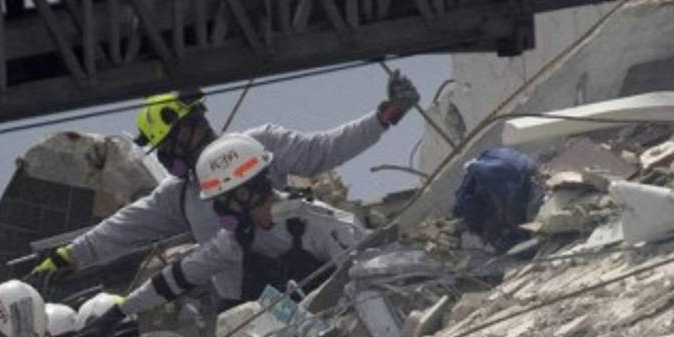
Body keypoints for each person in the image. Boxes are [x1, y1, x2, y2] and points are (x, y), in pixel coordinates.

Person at [31, 72, 418, 286]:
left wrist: (384, 117)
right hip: (252, 302)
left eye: (167, 146)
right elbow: (123, 228)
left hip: (313, 269)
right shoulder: (178, 196)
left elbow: (324, 150)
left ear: (189, 130)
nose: (166, 159)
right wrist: (69, 256)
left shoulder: (258, 144)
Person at [84, 134, 365, 337]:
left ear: (247, 191)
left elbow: (364, 278)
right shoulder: (235, 240)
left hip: (345, 335)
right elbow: (178, 277)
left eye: (222, 201)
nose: (218, 211)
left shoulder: (318, 224)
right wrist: (121, 311)